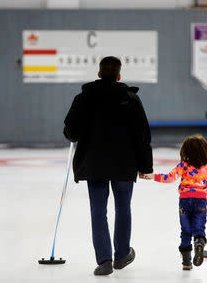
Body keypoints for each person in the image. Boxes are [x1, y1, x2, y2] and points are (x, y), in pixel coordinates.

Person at [63, 56, 153, 276]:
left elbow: (70, 132)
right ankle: (122, 255)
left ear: (99, 74)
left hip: (94, 164)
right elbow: (142, 135)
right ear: (119, 75)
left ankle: (104, 261)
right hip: (124, 163)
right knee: (123, 207)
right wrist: (145, 166)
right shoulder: (131, 100)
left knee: (98, 211)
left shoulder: (83, 99)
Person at [145, 134, 207, 270]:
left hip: (184, 201)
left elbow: (169, 177)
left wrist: (153, 176)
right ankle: (199, 243)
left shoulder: (183, 165)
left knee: (186, 230)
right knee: (199, 227)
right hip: (200, 201)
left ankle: (187, 262)